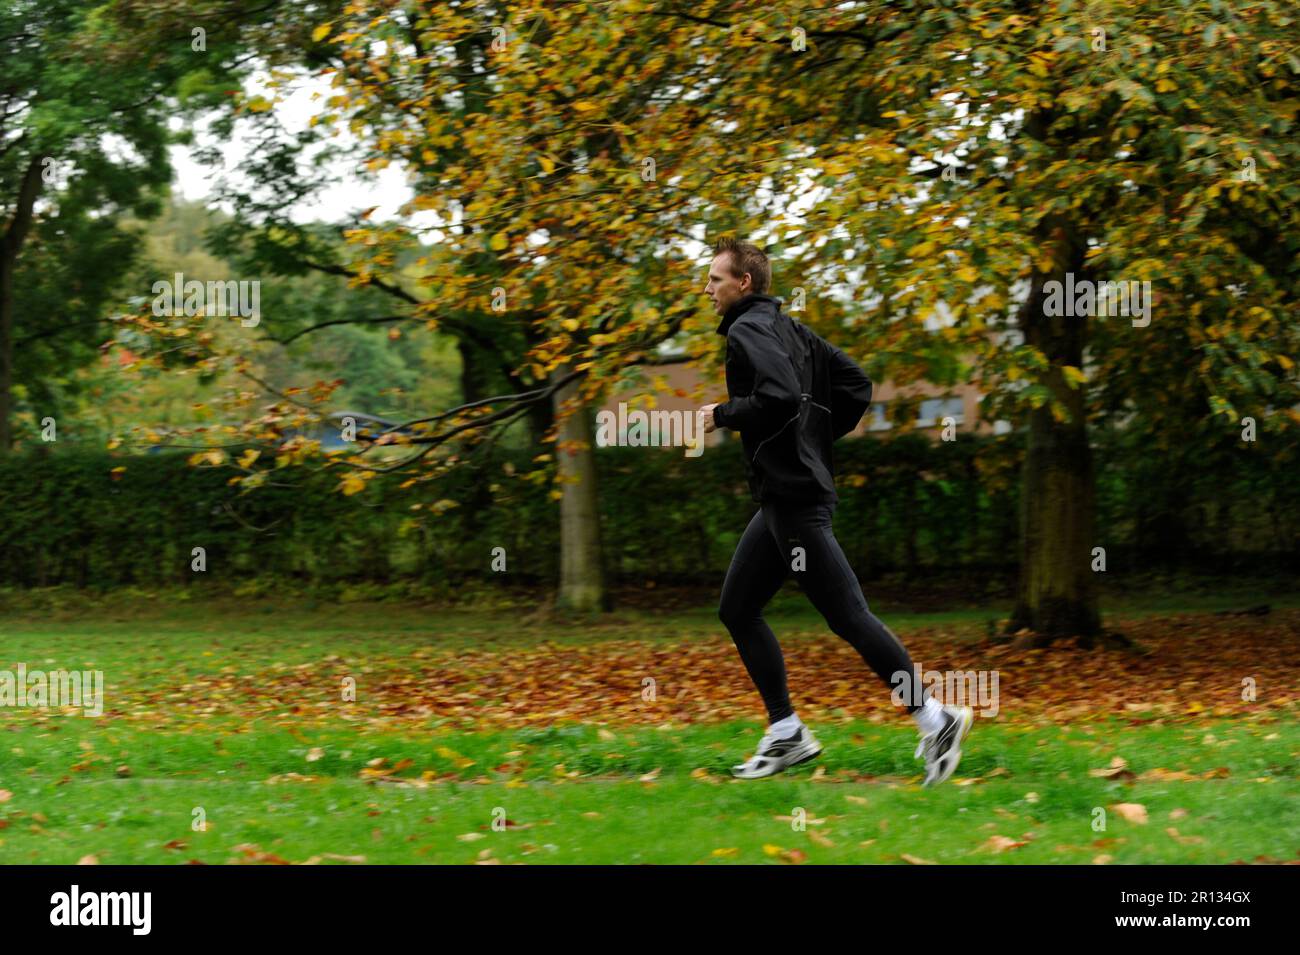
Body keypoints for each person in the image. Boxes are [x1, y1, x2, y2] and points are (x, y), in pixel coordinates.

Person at [700, 237, 973, 784]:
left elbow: (777, 397)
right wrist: (812, 441)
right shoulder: (793, 330)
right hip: (787, 494)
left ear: (743, 283)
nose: (706, 289)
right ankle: (786, 734)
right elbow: (856, 385)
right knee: (738, 608)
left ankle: (933, 716)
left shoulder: (750, 328)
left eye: (714, 279)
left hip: (793, 496)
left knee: (847, 614)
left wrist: (722, 413)